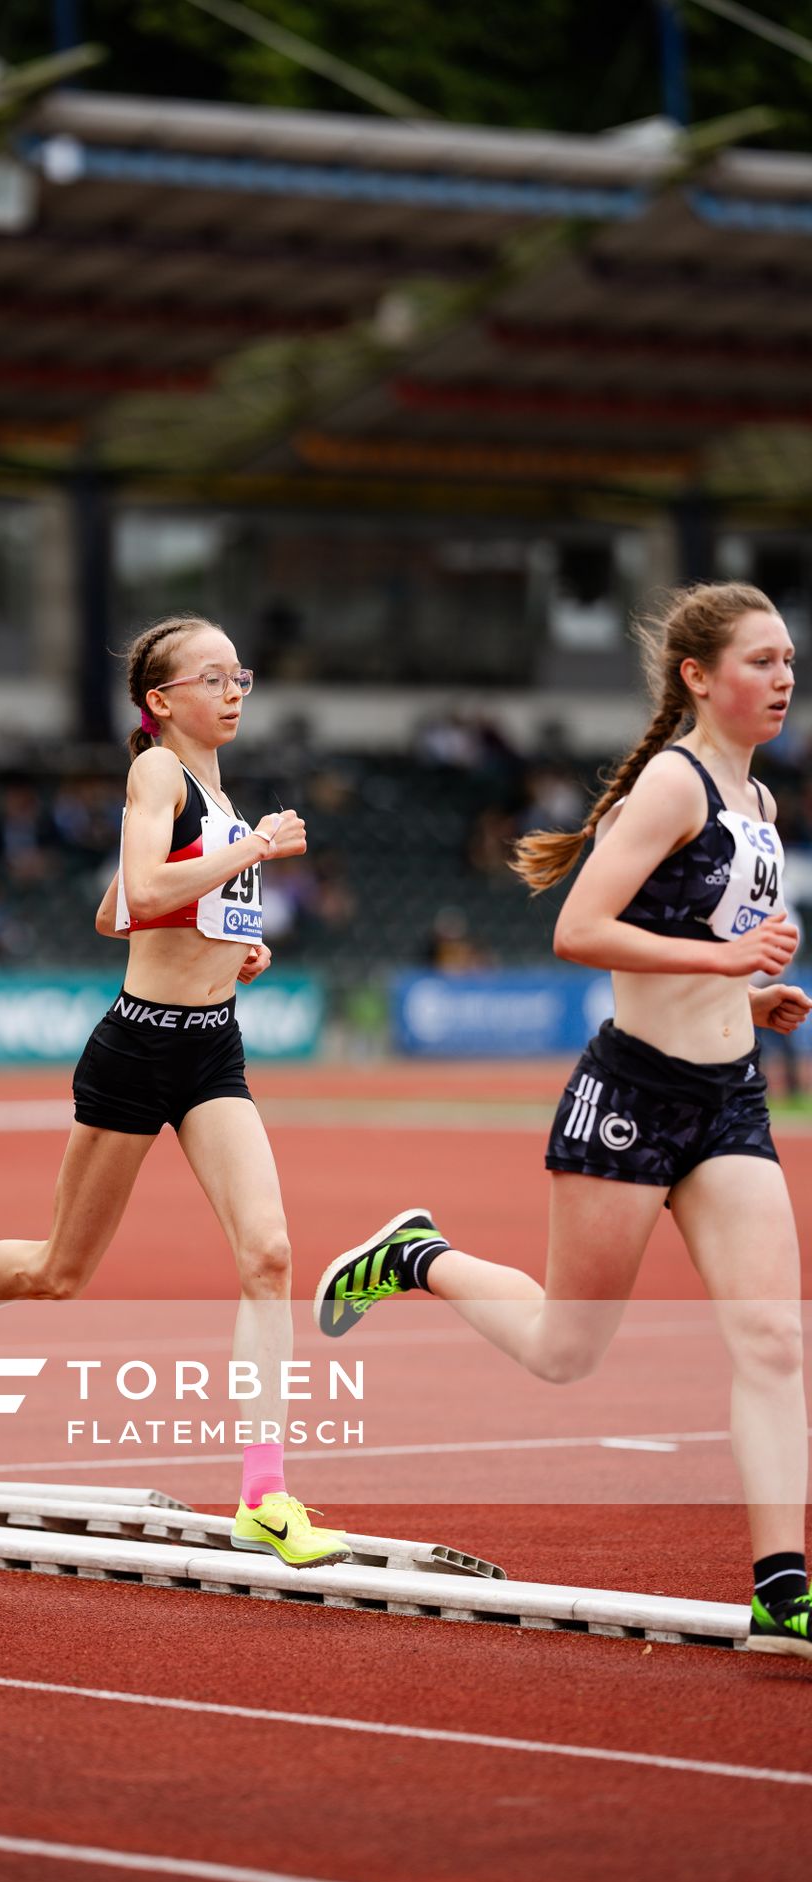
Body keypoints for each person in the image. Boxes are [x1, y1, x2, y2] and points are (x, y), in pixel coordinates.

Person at [315, 582, 812, 1658]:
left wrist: (743, 998)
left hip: (726, 1102)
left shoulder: (758, 806)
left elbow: (701, 947)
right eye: (760, 661)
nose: (781, 678)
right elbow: (579, 929)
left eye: (786, 661)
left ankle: (782, 1587)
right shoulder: (671, 789)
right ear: (696, 676)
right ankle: (418, 1258)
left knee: (774, 1337)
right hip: (630, 1098)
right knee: (562, 1352)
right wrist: (724, 961)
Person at [0, 614, 349, 1569]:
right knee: (59, 1271)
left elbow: (113, 913)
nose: (235, 691)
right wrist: (251, 853)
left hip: (213, 1049)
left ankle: (264, 1495)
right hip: (136, 1052)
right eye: (213, 677)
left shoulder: (213, 791)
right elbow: (135, 886)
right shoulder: (157, 774)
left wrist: (233, 939)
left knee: (269, 1254)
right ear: (161, 702)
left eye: (240, 675)